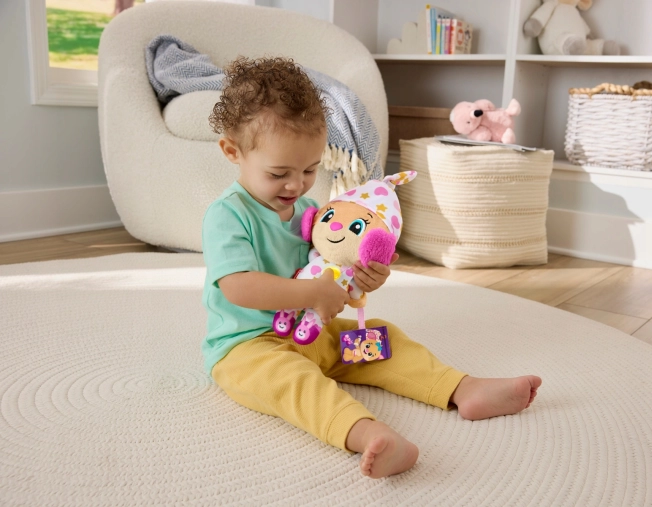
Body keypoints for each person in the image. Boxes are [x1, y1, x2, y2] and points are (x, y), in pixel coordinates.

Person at [203, 56, 542, 479]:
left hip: (314, 334)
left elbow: (330, 268)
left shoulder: (309, 211)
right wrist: (313, 294)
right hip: (249, 348)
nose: (296, 184)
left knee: (382, 338)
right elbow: (238, 287)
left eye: (309, 169)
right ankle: (367, 434)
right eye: (278, 173)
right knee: (293, 382)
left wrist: (366, 278)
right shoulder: (228, 215)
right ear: (233, 151)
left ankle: (462, 388)